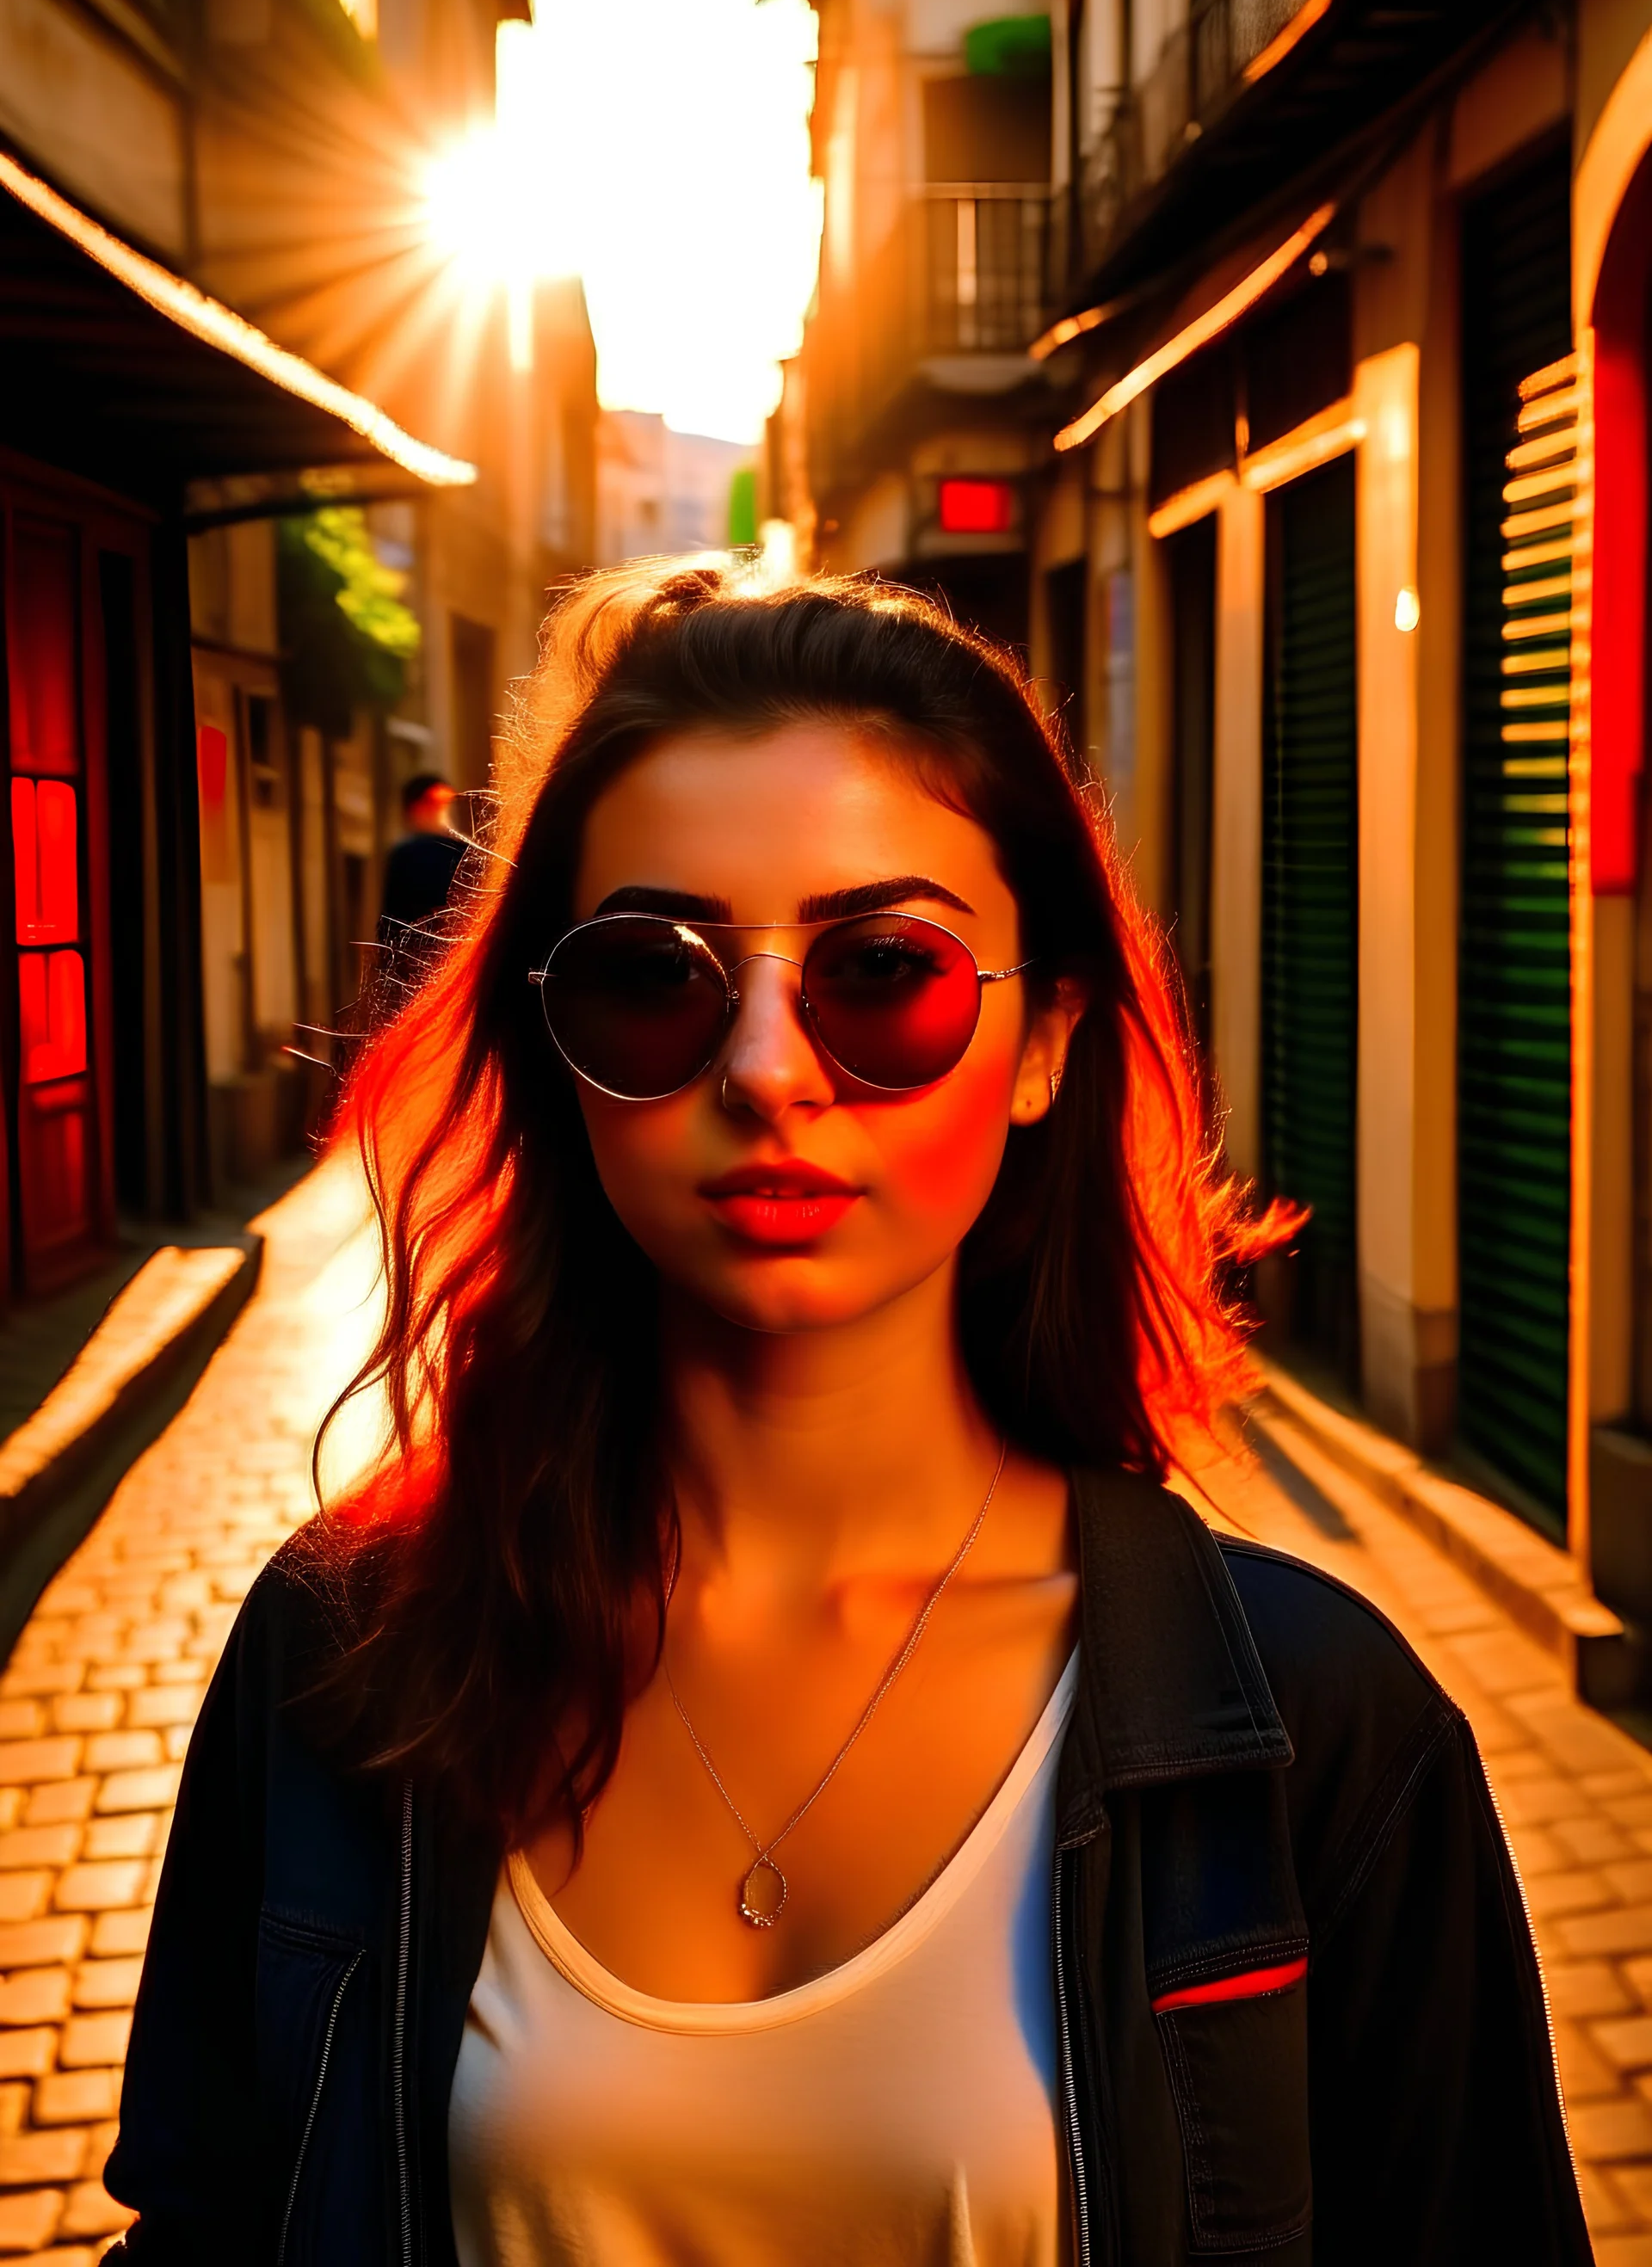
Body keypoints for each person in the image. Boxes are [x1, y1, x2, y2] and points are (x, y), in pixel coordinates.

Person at [107, 564, 1588, 2265]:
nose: (766, 1067)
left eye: (883, 968)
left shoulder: (1322, 1743)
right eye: (651, 976)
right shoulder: (341, 1659)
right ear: (553, 1049)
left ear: (1043, 1044)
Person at [376, 768, 467, 983]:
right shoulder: (408, 854)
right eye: (434, 805)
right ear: (416, 809)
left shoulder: (461, 851)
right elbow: (394, 917)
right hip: (426, 961)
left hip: (455, 956)